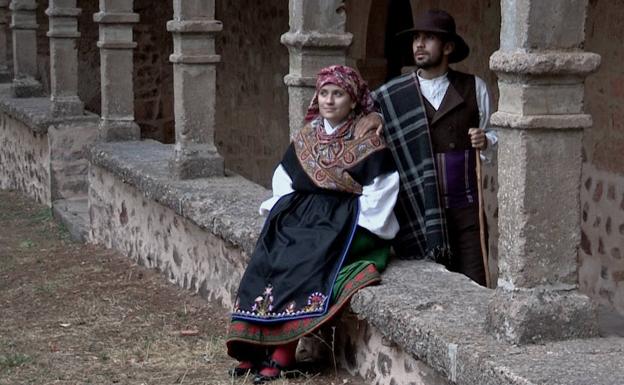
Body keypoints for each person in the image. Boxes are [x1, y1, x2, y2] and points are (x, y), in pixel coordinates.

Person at [225, 65, 400, 384]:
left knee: (305, 259)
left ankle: (283, 352)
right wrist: (288, 210)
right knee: (270, 253)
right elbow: (284, 176)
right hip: (303, 213)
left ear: (353, 100)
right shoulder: (307, 137)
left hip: (347, 221)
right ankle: (253, 344)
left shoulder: (368, 142)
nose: (329, 100)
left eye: (338, 94)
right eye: (324, 93)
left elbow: (382, 187)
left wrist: (353, 223)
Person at [359, 9, 497, 286]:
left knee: (475, 284)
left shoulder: (473, 87)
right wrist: (374, 116)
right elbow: (366, 126)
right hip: (419, 211)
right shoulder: (392, 96)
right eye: (416, 38)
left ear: (447, 47)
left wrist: (486, 140)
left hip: (466, 209)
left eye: (429, 38)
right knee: (429, 287)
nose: (419, 45)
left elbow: (493, 135)